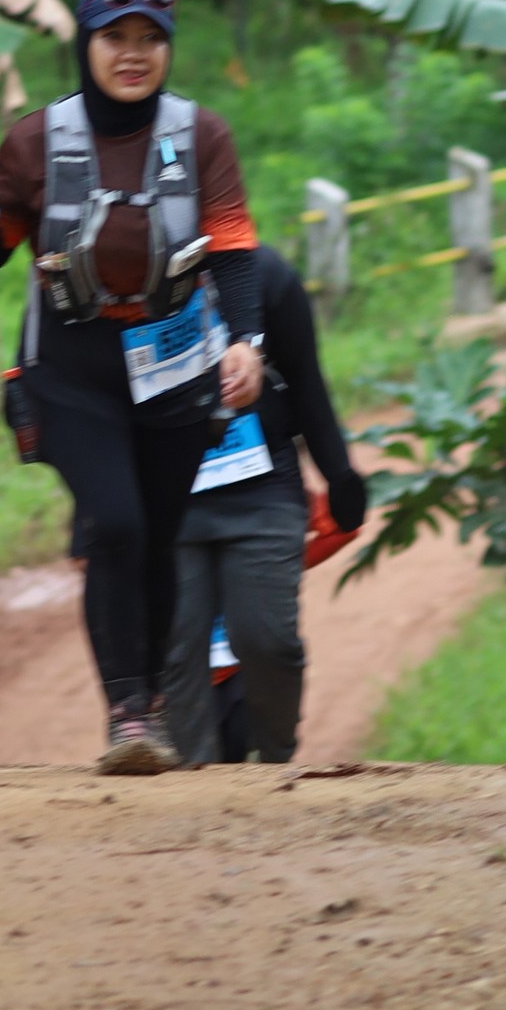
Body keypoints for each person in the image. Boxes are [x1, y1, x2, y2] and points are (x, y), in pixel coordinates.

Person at [0, 0, 263, 775]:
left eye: (150, 39)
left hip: (174, 365)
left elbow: (232, 250)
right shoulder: (35, 139)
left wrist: (246, 341)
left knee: (157, 536)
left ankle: (149, 707)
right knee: (117, 524)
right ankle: (128, 713)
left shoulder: (203, 135)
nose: (133, 54)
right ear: (85, 46)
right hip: (71, 367)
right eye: (115, 38)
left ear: (168, 48)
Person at [162, 238, 367, 769]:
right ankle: (188, 790)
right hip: (164, 499)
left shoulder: (268, 275)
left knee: (268, 640)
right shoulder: (117, 285)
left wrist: (339, 473)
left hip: (263, 489)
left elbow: (306, 379)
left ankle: (275, 766)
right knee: (176, 656)